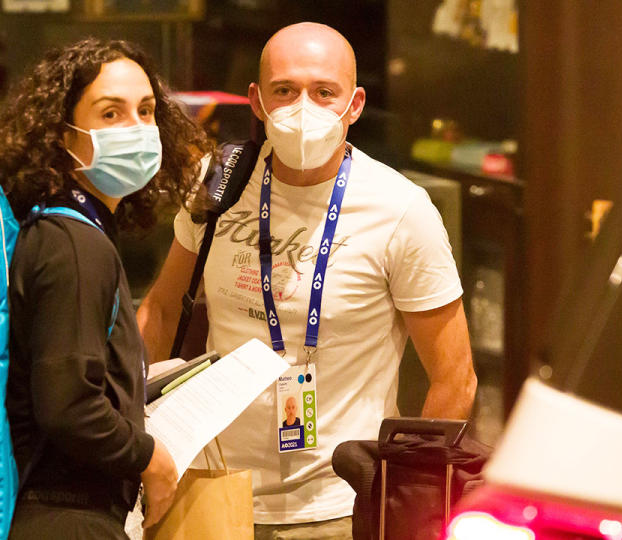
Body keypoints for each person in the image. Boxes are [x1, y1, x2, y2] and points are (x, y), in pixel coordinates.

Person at [136, 22, 477, 538]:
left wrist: (402, 496)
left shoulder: (400, 209)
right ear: (257, 101)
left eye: (324, 93)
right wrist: (137, 440)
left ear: (354, 105)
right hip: (208, 488)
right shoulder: (220, 180)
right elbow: (160, 309)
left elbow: (455, 378)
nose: (303, 108)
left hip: (340, 506)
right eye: (285, 91)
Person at [0, 38, 213, 538]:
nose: (138, 130)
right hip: (64, 516)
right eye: (110, 114)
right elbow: (69, 405)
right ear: (62, 135)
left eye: (146, 111)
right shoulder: (74, 243)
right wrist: (151, 460)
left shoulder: (63, 230)